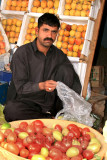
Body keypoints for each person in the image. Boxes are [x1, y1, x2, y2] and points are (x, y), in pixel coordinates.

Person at [4, 13, 81, 122]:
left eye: (53, 32)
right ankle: (48, 119)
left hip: (51, 103)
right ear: (37, 31)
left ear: (57, 33)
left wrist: (72, 102)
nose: (49, 35)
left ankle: (55, 114)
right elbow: (21, 88)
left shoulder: (59, 55)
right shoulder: (22, 53)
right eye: (45, 30)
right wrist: (41, 85)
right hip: (27, 102)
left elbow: (74, 81)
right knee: (12, 110)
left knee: (66, 69)